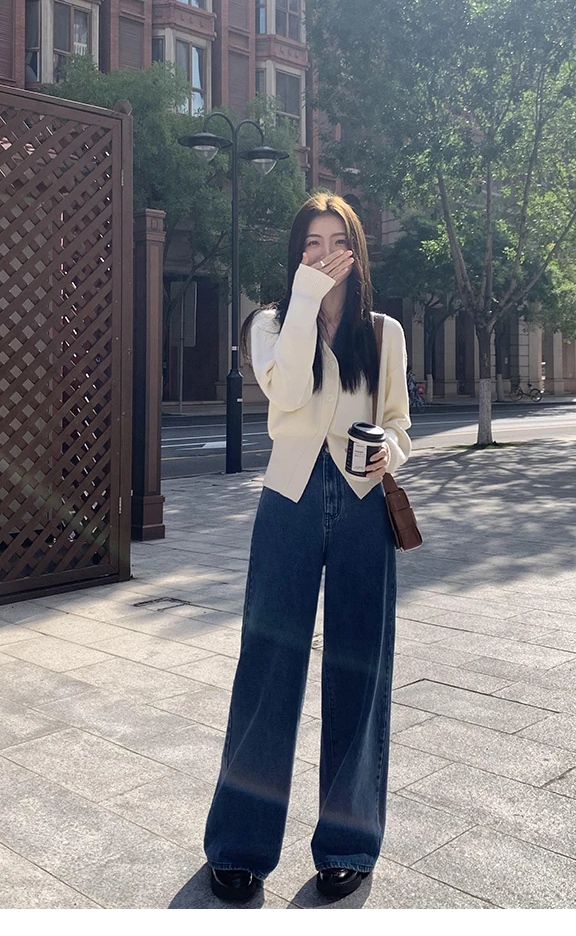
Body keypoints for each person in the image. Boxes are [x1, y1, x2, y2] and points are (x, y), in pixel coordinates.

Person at [203, 192, 412, 903]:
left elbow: (399, 424)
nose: (324, 254)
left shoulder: (384, 333)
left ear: (357, 249)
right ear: (298, 255)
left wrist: (389, 453)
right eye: (310, 244)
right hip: (287, 501)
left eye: (336, 241)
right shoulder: (271, 324)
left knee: (360, 670)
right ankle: (239, 845)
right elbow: (289, 395)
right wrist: (303, 301)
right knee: (267, 669)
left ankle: (348, 843)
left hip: (362, 505)